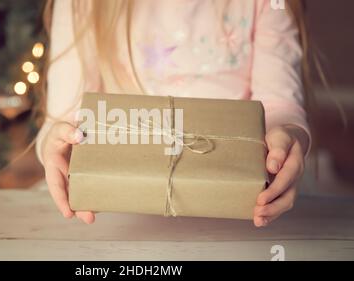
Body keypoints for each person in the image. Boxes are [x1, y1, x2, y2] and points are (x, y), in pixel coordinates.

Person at [36, 0, 311, 227]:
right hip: (118, 214)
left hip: (235, 207)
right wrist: (58, 147)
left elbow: (279, 108)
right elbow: (66, 120)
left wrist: (289, 138)